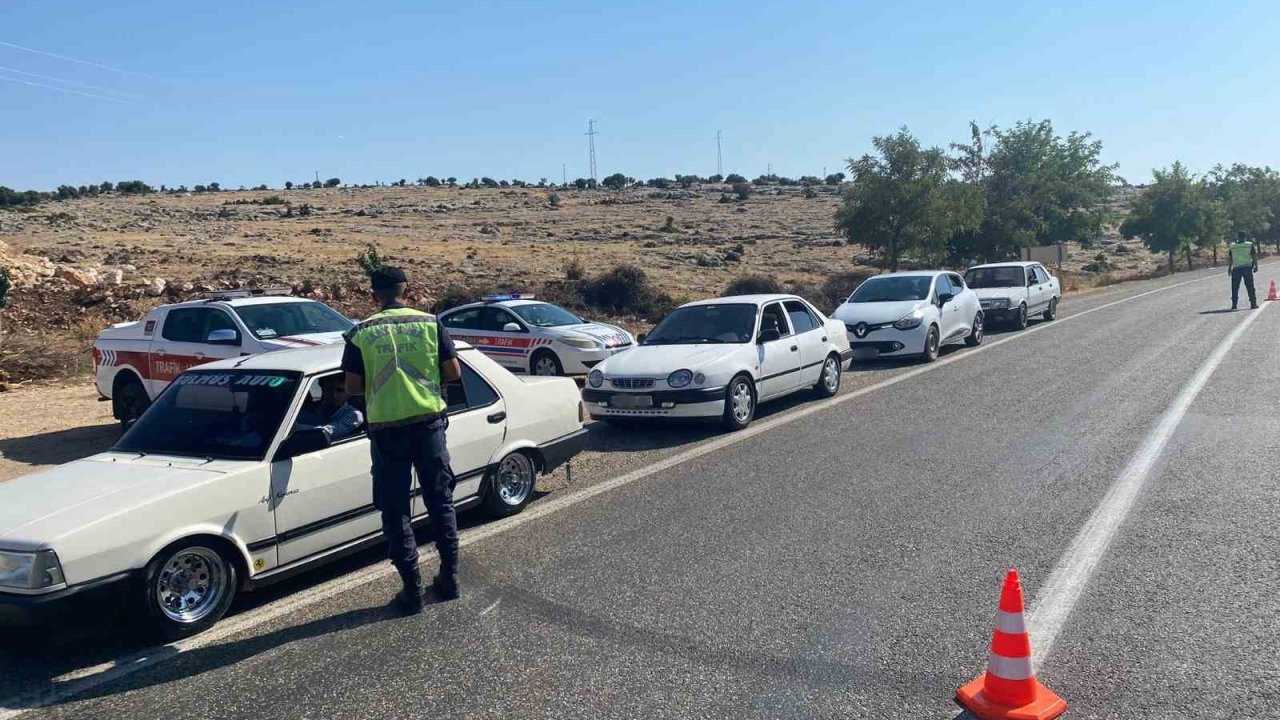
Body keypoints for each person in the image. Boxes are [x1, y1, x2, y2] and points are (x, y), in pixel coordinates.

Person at [343, 266, 462, 614]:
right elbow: (453, 373)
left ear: (373, 294)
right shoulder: (429, 323)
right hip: (429, 427)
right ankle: (450, 579)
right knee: (441, 504)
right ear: (406, 289)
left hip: (387, 432)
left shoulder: (361, 332)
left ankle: (412, 592)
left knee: (395, 511)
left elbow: (351, 387)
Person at [295, 375, 364, 442]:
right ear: (323, 390)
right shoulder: (309, 409)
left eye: (340, 390)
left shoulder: (353, 415)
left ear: (347, 392)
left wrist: (295, 428)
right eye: (329, 389)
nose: (334, 395)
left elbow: (326, 432)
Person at [1228, 231, 1259, 310]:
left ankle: (1234, 305)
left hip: (1236, 269)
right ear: (1245, 237)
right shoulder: (1249, 245)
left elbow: (1230, 259)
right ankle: (1253, 304)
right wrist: (1256, 266)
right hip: (1247, 268)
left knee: (1234, 287)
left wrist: (1229, 268)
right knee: (1250, 286)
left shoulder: (1232, 246)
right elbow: (1254, 256)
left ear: (1237, 237)